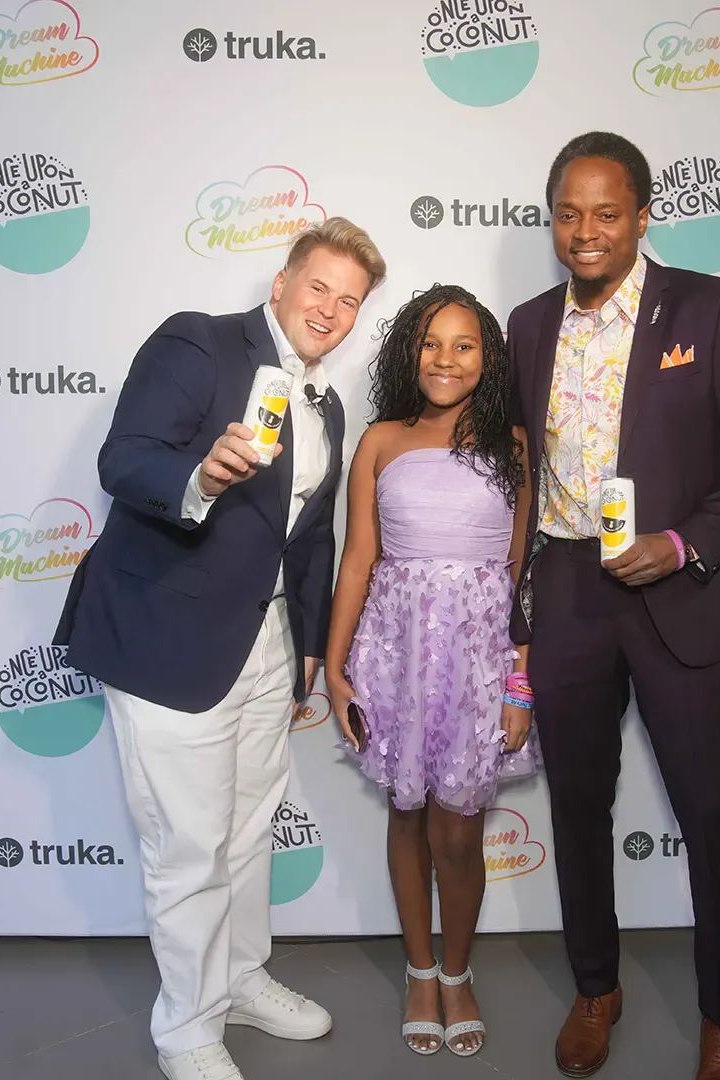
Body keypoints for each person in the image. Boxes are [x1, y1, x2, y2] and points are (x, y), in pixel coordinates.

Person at [53, 218, 387, 1080]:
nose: (331, 309)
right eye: (319, 287)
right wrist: (199, 475)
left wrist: (308, 643)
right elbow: (124, 459)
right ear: (280, 284)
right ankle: (187, 1030)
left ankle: (239, 978)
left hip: (266, 645)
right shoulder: (197, 343)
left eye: (348, 300)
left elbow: (308, 538)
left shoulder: (327, 403)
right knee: (190, 844)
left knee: (245, 833)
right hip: (170, 639)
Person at [506, 132, 720, 1080]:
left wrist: (683, 543)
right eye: (569, 214)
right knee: (580, 806)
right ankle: (597, 988)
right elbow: (514, 469)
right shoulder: (528, 322)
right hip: (571, 591)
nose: (585, 232)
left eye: (607, 212)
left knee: (712, 811)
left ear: (642, 215)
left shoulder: (712, 308)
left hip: (680, 592)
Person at [323, 285, 538, 1058]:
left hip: (480, 662)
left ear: (489, 357)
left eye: (464, 344)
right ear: (408, 353)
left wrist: (520, 686)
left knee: (460, 829)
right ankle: (418, 971)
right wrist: (337, 669)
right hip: (396, 656)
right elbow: (357, 561)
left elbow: (523, 576)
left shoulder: (512, 445)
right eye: (430, 344)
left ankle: (456, 971)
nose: (445, 360)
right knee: (406, 817)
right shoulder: (380, 438)